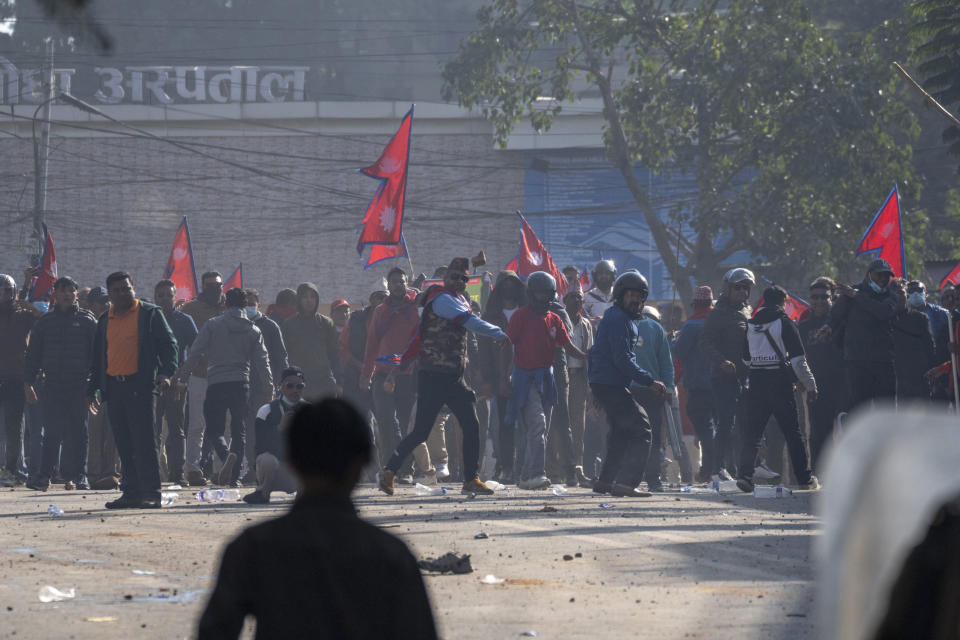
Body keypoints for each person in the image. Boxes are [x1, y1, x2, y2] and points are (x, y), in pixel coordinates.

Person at [198, 399, 437, 640]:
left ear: (291, 462)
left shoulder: (252, 548)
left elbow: (214, 631)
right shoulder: (391, 556)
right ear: (361, 466)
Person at [378, 258, 508, 497]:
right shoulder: (441, 299)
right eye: (454, 277)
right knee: (421, 431)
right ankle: (390, 471)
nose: (458, 281)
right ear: (446, 278)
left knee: (471, 424)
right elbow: (470, 322)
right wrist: (499, 333)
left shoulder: (458, 300)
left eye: (463, 278)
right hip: (434, 376)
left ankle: (470, 479)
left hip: (453, 377)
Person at [87, 272, 178, 509]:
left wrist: (166, 374)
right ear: (110, 295)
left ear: (133, 288)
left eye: (126, 289)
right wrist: (93, 388)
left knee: (145, 442)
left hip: (141, 386)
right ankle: (131, 493)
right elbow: (98, 358)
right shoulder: (105, 320)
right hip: (114, 388)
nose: (122, 293)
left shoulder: (149, 314)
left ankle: (151, 493)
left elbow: (169, 346)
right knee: (124, 443)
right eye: (116, 290)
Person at [176, 288, 272, 487]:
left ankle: (225, 455)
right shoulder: (253, 330)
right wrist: (269, 387)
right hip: (241, 384)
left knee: (214, 429)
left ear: (226, 304)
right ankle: (234, 478)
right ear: (245, 305)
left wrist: (183, 378)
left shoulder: (213, 325)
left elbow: (195, 353)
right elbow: (263, 361)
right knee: (239, 430)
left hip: (216, 383)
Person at [588, 271, 666, 497]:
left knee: (621, 433)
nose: (636, 301)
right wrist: (650, 381)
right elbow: (623, 360)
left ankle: (606, 481)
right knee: (642, 429)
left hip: (607, 383)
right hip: (611, 384)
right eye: (631, 295)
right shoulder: (619, 320)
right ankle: (627, 483)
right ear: (621, 295)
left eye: (640, 297)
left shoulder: (620, 318)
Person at [505, 272, 584, 490]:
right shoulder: (520, 316)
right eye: (539, 293)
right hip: (525, 379)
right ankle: (536, 474)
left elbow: (567, 346)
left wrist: (587, 356)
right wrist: (506, 373)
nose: (543, 298)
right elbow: (508, 343)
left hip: (548, 380)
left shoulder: (555, 318)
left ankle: (524, 475)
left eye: (547, 294)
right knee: (537, 424)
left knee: (541, 429)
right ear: (531, 294)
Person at [736, 286, 819, 493]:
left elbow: (745, 358)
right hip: (780, 383)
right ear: (783, 302)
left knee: (753, 434)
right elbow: (799, 361)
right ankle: (805, 479)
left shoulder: (750, 324)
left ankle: (745, 475)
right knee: (793, 433)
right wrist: (811, 385)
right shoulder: (785, 322)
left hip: (756, 382)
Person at [23, 277, 97, 491]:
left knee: (79, 432)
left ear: (76, 294)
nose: (67, 294)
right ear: (55, 294)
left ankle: (79, 476)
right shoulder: (45, 322)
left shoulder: (87, 320)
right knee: (52, 432)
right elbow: (33, 355)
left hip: (79, 385)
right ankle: (44, 476)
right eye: (62, 290)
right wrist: (28, 383)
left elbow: (97, 355)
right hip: (52, 385)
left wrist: (95, 386)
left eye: (71, 290)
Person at [363, 271, 422, 475]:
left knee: (406, 425)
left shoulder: (416, 309)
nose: (398, 285)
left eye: (402, 281)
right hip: (382, 373)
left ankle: (406, 469)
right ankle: (389, 469)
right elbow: (371, 343)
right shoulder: (380, 311)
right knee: (386, 422)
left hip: (407, 375)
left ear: (407, 283)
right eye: (394, 282)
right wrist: (366, 373)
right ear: (389, 285)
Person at [700, 267, 755, 479]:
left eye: (747, 288)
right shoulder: (717, 314)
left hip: (745, 377)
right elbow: (704, 343)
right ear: (728, 289)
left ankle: (744, 469)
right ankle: (717, 468)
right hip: (723, 378)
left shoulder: (747, 312)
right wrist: (722, 361)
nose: (743, 292)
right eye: (738, 287)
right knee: (726, 424)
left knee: (746, 424)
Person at [823, 259, 897, 410]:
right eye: (879, 275)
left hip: (883, 362)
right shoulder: (851, 293)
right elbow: (836, 316)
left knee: (886, 410)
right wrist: (828, 327)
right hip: (857, 361)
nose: (883, 279)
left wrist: (858, 297)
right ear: (869, 275)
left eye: (886, 276)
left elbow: (883, 313)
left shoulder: (891, 296)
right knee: (860, 410)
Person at [478, 270, 525, 483]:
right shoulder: (490, 317)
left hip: (526, 374)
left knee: (528, 423)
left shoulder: (526, 312)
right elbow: (484, 350)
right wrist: (489, 379)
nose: (509, 288)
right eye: (504, 284)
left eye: (512, 283)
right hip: (500, 378)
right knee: (503, 425)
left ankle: (525, 467)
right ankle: (506, 467)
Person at [180, 271, 227, 486]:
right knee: (197, 425)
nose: (214, 290)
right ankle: (192, 470)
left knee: (223, 426)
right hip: (199, 374)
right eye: (210, 286)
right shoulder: (192, 309)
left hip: (225, 375)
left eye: (217, 285)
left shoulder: (230, 308)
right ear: (202, 287)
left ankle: (221, 470)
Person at [798, 277, 847, 473]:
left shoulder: (841, 323)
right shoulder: (803, 327)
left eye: (823, 297)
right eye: (814, 297)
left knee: (845, 430)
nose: (818, 301)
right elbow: (799, 358)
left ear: (832, 298)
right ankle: (819, 474)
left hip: (843, 385)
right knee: (818, 433)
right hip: (815, 388)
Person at [153, 279, 199, 485]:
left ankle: (177, 474)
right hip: (152, 383)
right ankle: (152, 472)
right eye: (160, 295)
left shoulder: (184, 320)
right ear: (155, 298)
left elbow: (196, 351)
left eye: (168, 295)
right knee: (152, 430)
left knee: (176, 429)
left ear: (175, 296)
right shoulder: (149, 318)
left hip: (176, 383)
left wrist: (183, 378)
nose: (164, 299)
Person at [242, 367, 309, 504]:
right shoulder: (266, 411)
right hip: (276, 471)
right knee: (266, 459)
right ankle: (263, 493)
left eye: (299, 386)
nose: (295, 390)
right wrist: (279, 428)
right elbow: (260, 447)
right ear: (280, 387)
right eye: (289, 386)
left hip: (301, 472)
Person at [242, 288, 288, 484]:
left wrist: (283, 383)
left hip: (265, 387)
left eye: (253, 303)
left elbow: (281, 357)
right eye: (246, 303)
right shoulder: (238, 326)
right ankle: (252, 470)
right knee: (247, 432)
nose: (250, 306)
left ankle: (271, 471)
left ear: (259, 305)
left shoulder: (270, 326)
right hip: (243, 386)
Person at [672, 285, 716, 482]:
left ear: (694, 305)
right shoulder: (720, 323)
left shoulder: (690, 326)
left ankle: (709, 469)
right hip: (722, 382)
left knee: (704, 425)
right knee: (717, 424)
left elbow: (678, 352)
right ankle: (717, 467)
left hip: (698, 383)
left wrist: (672, 340)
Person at [632, 303, 676, 492]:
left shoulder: (655, 329)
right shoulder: (620, 324)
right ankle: (633, 478)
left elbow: (666, 362)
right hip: (631, 389)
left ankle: (651, 478)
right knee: (645, 436)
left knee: (652, 437)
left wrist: (669, 388)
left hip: (651, 390)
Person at [0, 273, 35, 485]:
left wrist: (27, 299)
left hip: (15, 377)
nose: (2, 295)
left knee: (15, 428)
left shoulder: (23, 315)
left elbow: (43, 317)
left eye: (6, 290)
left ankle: (14, 470)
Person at [84, 286, 120, 490]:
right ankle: (94, 474)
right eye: (100, 301)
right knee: (95, 432)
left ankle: (111, 473)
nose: (105, 304)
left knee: (113, 433)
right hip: (95, 385)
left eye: (107, 300)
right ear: (92, 305)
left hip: (113, 384)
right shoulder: (88, 325)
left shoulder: (114, 323)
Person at [282, 282, 342, 400]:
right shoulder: (289, 324)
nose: (309, 300)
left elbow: (334, 354)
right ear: (299, 299)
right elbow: (284, 355)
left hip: (323, 381)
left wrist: (339, 382)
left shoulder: (326, 323)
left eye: (312, 296)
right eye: (305, 297)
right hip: (298, 383)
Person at [563, 284, 593, 487]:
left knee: (578, 426)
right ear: (565, 300)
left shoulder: (586, 325)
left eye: (579, 298)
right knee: (559, 425)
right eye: (572, 297)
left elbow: (590, 355)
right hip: (561, 378)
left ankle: (578, 468)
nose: (576, 301)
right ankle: (558, 469)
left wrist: (591, 387)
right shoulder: (558, 319)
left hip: (579, 378)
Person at [890, 279, 935, 402]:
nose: (898, 297)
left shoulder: (920, 319)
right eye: (893, 294)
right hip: (893, 382)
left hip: (918, 380)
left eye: (901, 293)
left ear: (907, 296)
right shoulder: (883, 320)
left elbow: (930, 349)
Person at [582, 259, 617, 327]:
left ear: (612, 275)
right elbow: (582, 320)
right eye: (600, 273)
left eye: (607, 273)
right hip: (596, 336)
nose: (604, 276)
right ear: (595, 276)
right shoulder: (587, 297)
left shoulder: (619, 296)